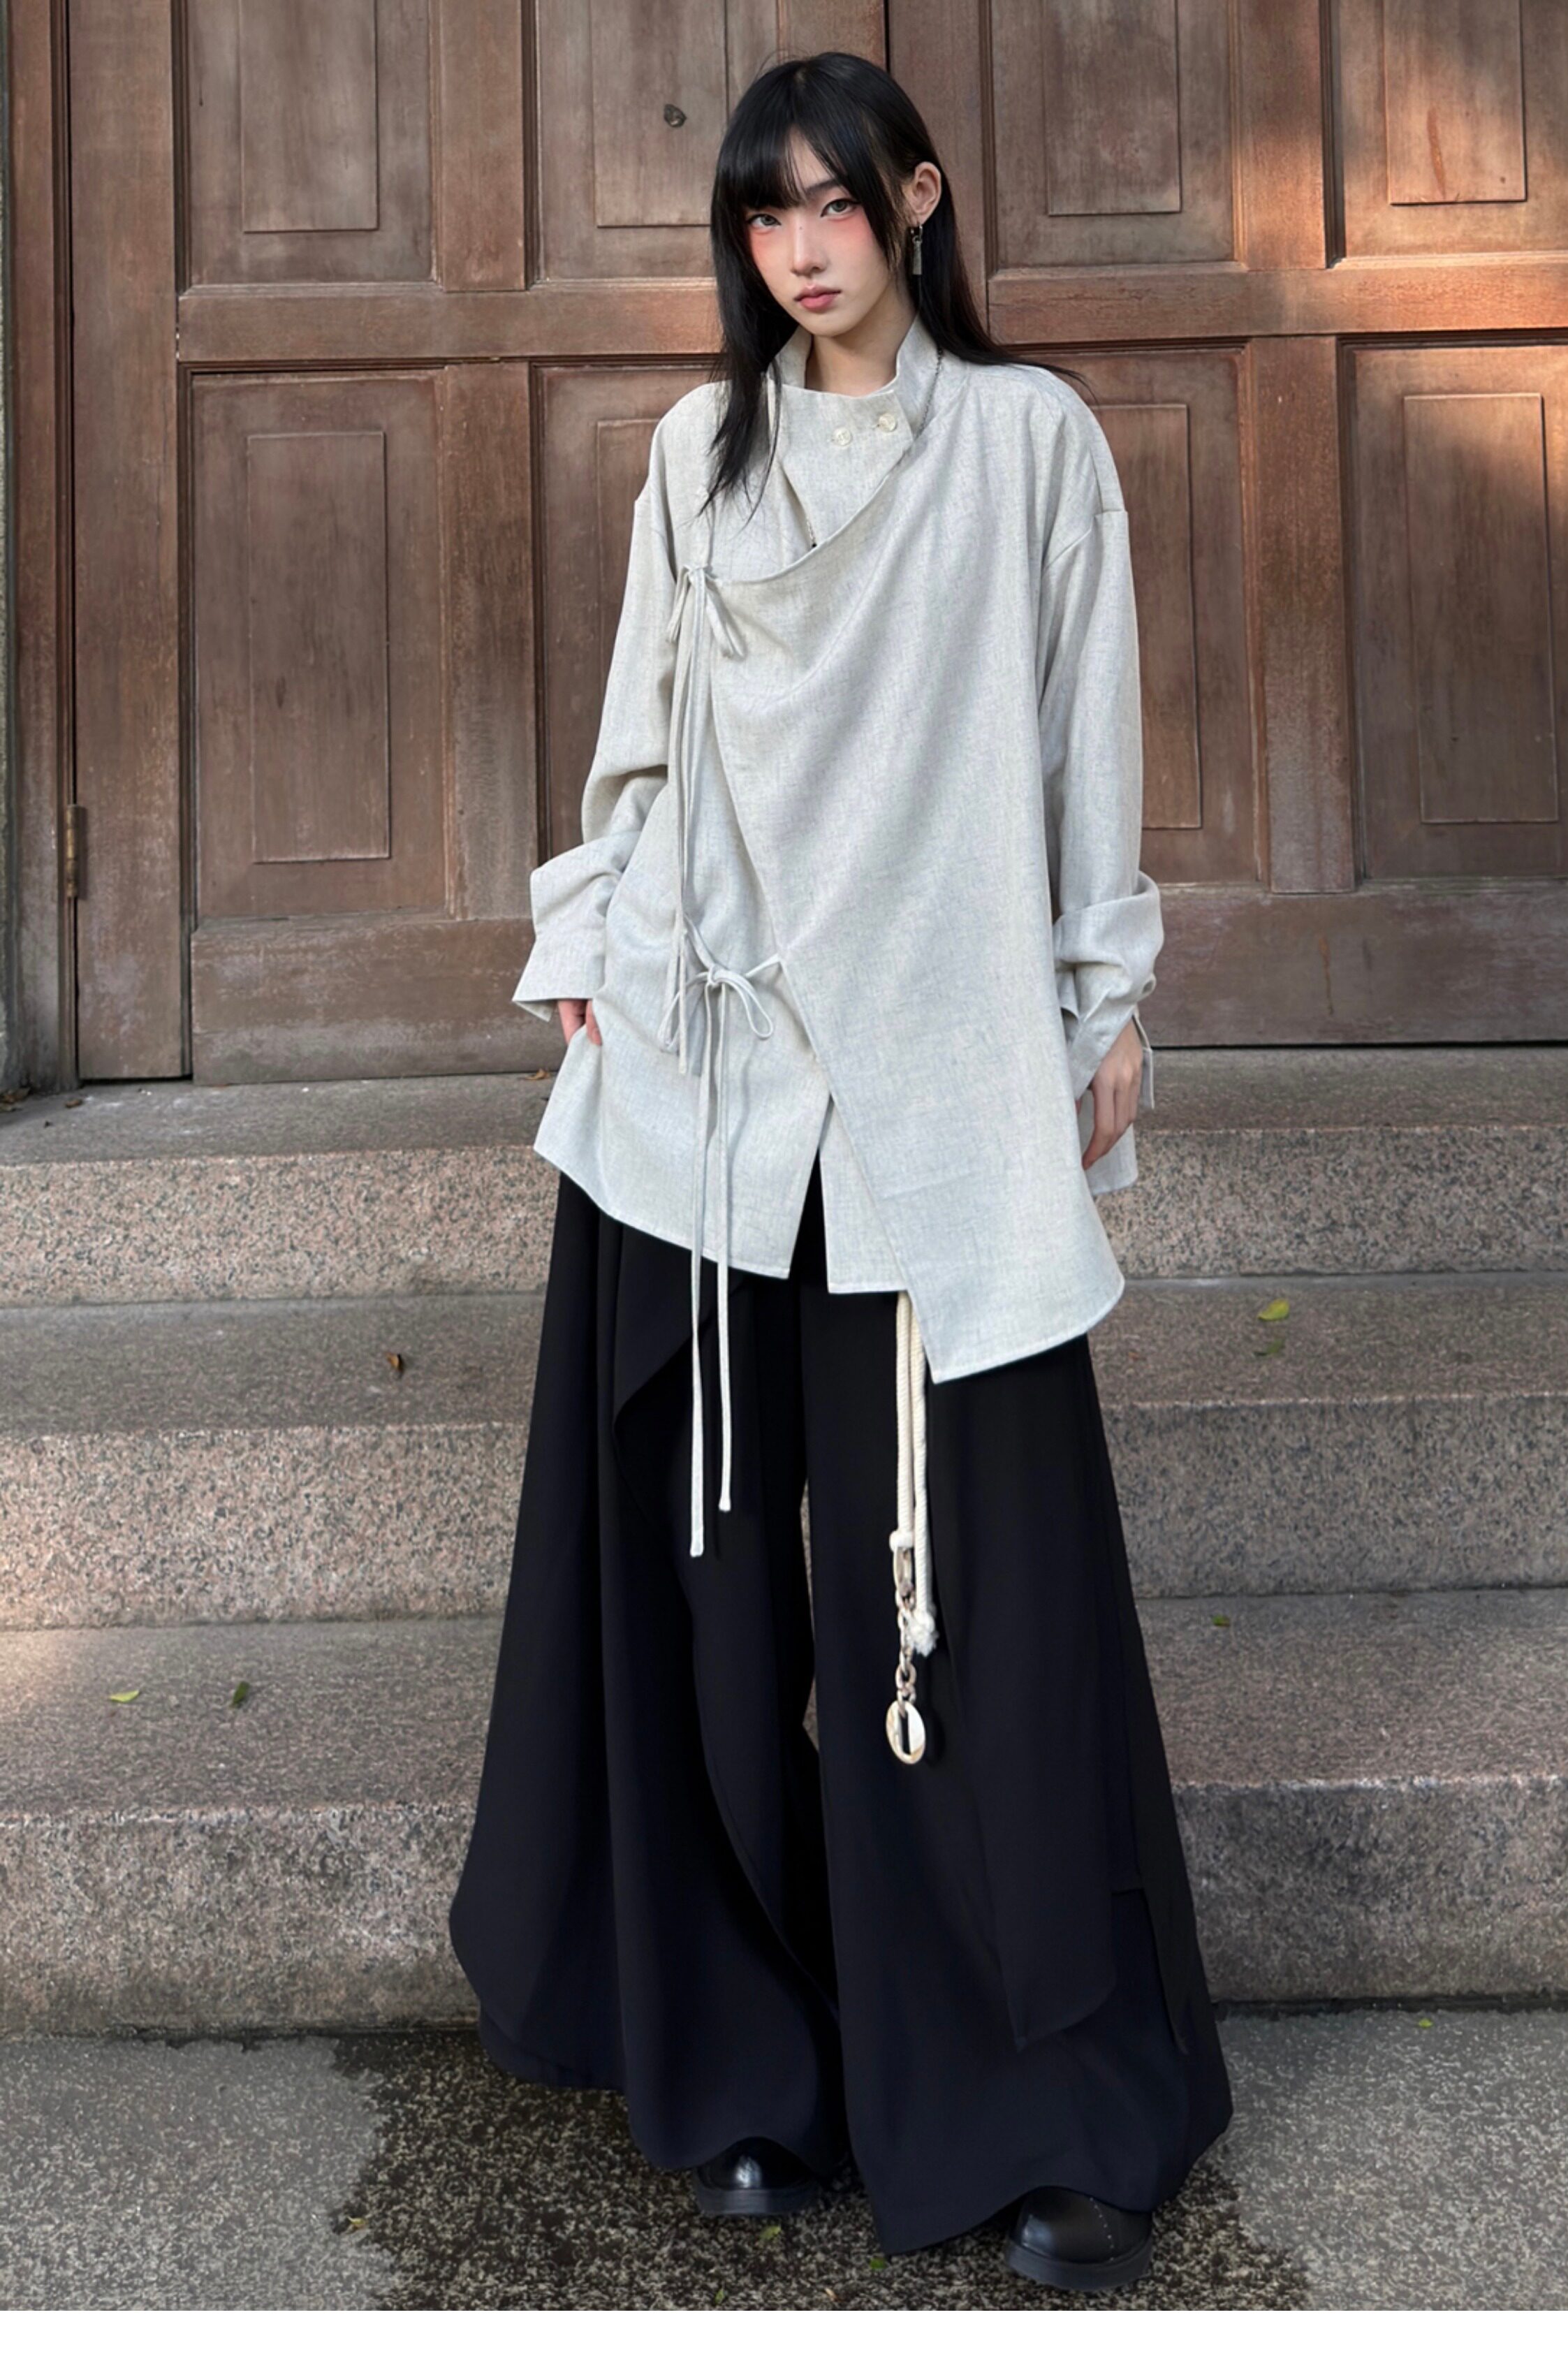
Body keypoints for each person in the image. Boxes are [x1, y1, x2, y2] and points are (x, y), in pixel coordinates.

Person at [447, 49, 1233, 2295]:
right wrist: (588, 949)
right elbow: (641, 757)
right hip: (708, 1099)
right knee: (706, 1604)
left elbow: (1083, 742)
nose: (801, 247)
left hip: (942, 1093)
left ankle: (1036, 2106)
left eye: (833, 202)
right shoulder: (696, 461)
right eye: (762, 213)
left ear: (917, 202)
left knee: (981, 1614)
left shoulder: (1028, 447)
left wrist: (1103, 1000)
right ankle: (747, 2068)